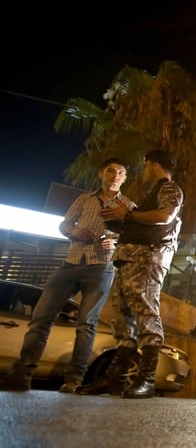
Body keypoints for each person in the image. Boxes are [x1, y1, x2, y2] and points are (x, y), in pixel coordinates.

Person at [0, 158, 134, 393]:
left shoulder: (128, 206)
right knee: (41, 317)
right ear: (101, 173)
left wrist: (115, 242)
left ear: (125, 178)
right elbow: (64, 225)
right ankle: (22, 374)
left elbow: (133, 239)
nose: (115, 175)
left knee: (86, 324)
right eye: (111, 171)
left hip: (101, 267)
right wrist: (75, 231)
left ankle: (73, 380)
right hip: (71, 263)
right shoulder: (85, 198)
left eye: (120, 172)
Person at [76, 149, 183, 399]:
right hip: (129, 258)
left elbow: (165, 215)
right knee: (122, 319)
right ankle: (117, 378)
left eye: (145, 167)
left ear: (154, 166)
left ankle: (146, 379)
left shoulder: (169, 187)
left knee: (146, 312)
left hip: (147, 258)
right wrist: (120, 224)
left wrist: (128, 215)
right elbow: (142, 221)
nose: (143, 172)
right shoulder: (151, 193)